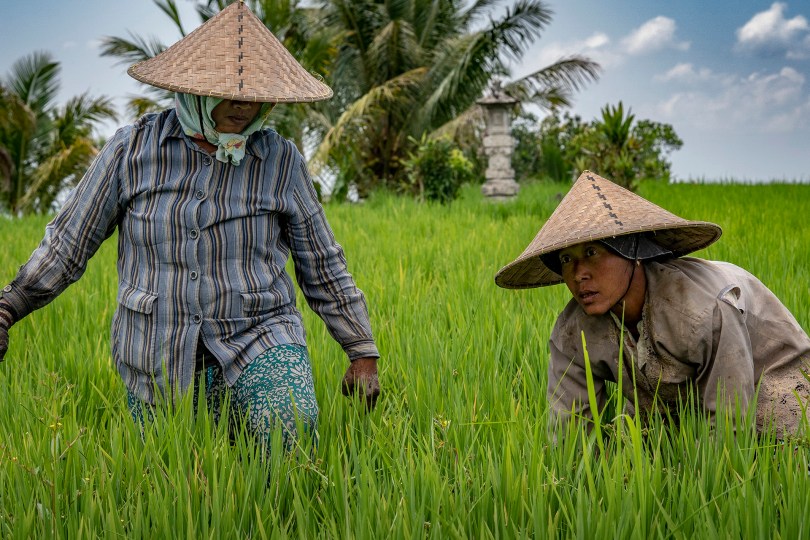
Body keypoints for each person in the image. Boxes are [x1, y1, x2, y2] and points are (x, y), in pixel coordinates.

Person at [0, 1, 380, 449]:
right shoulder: (133, 151)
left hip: (259, 334)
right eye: (228, 92)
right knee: (177, 480)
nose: (244, 105)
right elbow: (69, 244)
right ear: (194, 91)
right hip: (157, 350)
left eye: (256, 93)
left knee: (289, 429)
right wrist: (9, 307)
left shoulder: (279, 161)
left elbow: (322, 261)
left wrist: (361, 350)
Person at [495, 170, 810, 437]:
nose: (579, 275)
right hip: (672, 390)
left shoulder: (704, 310)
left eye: (592, 253)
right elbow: (569, 431)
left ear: (633, 251)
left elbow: (730, 429)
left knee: (771, 454)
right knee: (641, 455)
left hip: (772, 372)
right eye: (566, 259)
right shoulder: (572, 334)